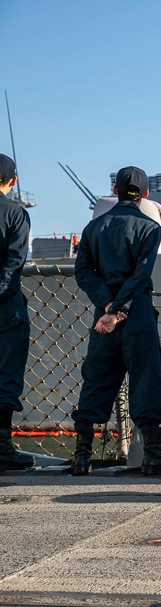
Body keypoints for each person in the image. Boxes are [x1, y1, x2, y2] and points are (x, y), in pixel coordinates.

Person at [69, 166, 161, 476]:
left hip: (104, 318)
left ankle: (82, 457)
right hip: (136, 315)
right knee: (146, 380)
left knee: (97, 378)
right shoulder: (149, 228)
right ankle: (153, 454)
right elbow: (141, 274)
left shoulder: (92, 228)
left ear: (116, 192)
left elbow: (83, 272)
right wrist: (121, 307)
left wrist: (108, 306)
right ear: (146, 194)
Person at [0, 153, 34, 471]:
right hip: (6, 307)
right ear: (13, 180)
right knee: (6, 376)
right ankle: (2, 447)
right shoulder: (16, 214)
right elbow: (14, 262)